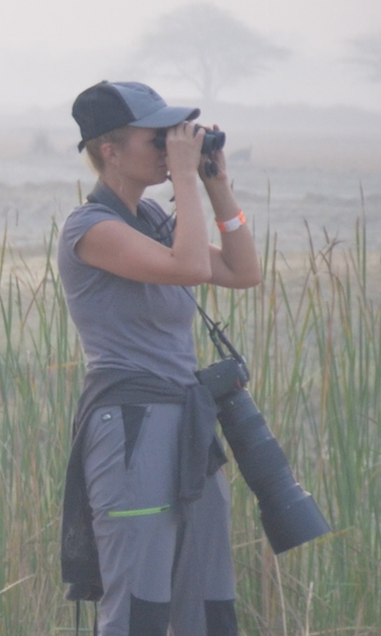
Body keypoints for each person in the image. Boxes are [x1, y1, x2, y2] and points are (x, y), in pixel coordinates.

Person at [57, 81, 259, 636]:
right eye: (158, 140)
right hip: (130, 423)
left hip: (187, 419)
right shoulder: (90, 228)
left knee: (207, 598)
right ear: (110, 151)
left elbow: (243, 272)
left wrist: (216, 187)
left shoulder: (152, 217)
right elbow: (189, 266)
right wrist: (188, 179)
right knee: (140, 603)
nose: (171, 150)